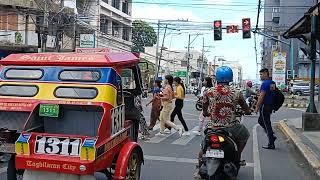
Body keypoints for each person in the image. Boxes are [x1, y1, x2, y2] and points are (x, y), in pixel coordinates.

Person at [194, 66, 251, 178]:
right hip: (231, 127)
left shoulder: (208, 91)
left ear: (217, 78)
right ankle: (237, 155)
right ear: (230, 78)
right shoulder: (237, 92)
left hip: (213, 127)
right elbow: (245, 107)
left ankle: (198, 168)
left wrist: (206, 113)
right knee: (245, 135)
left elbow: (204, 107)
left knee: (204, 145)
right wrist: (248, 111)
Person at [255, 68, 277, 149]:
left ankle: (271, 142)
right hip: (270, 106)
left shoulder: (265, 84)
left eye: (261, 74)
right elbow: (273, 95)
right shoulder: (272, 83)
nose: (260, 76)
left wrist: (257, 107)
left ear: (265, 73)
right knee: (261, 121)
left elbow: (261, 96)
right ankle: (271, 136)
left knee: (267, 124)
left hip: (265, 106)